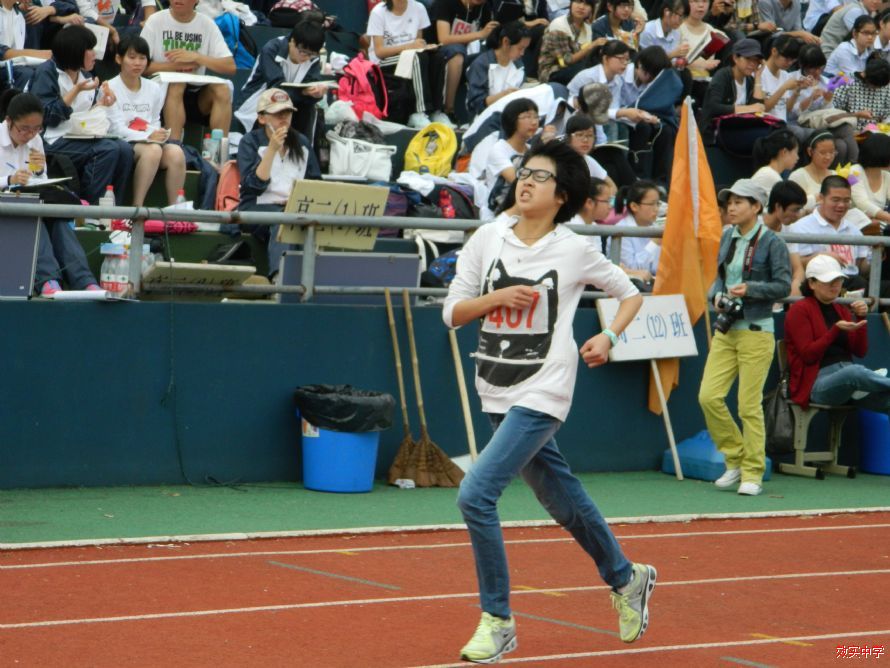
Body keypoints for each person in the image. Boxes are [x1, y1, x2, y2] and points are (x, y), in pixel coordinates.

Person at [443, 139, 654, 663]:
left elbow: (630, 294)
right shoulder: (487, 237)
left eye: (540, 176)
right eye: (524, 172)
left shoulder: (574, 249)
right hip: (495, 382)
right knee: (560, 498)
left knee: (475, 494)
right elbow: (452, 312)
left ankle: (497, 620)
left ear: (562, 196)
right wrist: (495, 298)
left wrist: (609, 336)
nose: (526, 181)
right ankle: (626, 578)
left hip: (545, 387)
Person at [698, 178, 791, 496]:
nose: (732, 208)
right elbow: (719, 277)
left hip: (756, 330)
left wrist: (751, 289)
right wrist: (716, 295)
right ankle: (735, 457)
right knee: (708, 397)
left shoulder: (772, 242)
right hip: (727, 328)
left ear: (756, 207)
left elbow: (783, 286)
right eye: (730, 202)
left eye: (739, 202)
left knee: (748, 406)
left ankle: (752, 472)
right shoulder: (727, 235)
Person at [0, 90, 100, 296]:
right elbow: (11, 181)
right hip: (7, 207)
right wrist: (9, 180)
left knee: (58, 218)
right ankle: (48, 280)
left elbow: (40, 180)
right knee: (34, 216)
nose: (30, 135)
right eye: (24, 129)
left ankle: (85, 281)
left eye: (36, 128)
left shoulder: (35, 140)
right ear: (9, 121)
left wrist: (38, 171)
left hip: (29, 201)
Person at [30, 24, 134, 205]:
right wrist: (76, 90)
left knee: (124, 149)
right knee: (106, 150)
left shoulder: (84, 74)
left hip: (77, 136)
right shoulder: (47, 73)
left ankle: (114, 208)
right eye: (90, 49)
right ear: (75, 51)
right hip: (50, 140)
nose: (95, 54)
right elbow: (46, 117)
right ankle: (90, 210)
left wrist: (102, 104)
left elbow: (84, 115)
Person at [785, 254, 890, 412]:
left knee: (884, 397)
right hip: (816, 383)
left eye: (838, 280)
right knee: (854, 372)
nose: (835, 285)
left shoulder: (840, 309)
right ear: (812, 283)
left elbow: (860, 351)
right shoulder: (799, 310)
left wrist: (861, 318)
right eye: (828, 281)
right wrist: (835, 330)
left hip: (847, 376)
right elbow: (808, 355)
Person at [237, 88, 321, 274]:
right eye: (277, 113)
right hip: (256, 207)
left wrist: (297, 200)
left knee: (305, 219)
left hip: (295, 207)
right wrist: (272, 149)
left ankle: (313, 278)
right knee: (284, 218)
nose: (283, 118)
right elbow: (252, 187)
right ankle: (279, 277)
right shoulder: (249, 142)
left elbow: (315, 182)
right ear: (262, 118)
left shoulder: (302, 142)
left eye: (288, 112)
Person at [106, 35, 186, 206]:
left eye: (142, 58)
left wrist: (157, 133)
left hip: (149, 141)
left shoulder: (154, 88)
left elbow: (154, 120)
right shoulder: (109, 87)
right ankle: (138, 207)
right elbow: (115, 129)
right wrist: (148, 137)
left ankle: (176, 210)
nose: (138, 63)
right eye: (132, 57)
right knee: (153, 151)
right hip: (123, 143)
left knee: (176, 153)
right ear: (119, 59)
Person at [140, 0, 236, 142]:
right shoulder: (156, 20)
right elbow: (140, 66)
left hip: (196, 95)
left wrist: (197, 57)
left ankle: (219, 150)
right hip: (161, 94)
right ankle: (174, 146)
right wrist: (176, 66)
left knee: (222, 89)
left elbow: (230, 66)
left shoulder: (207, 24)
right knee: (177, 84)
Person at [233, 19, 327, 137]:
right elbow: (276, 87)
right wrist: (303, 92)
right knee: (276, 103)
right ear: (292, 41)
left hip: (292, 102)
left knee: (308, 109)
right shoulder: (272, 49)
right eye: (303, 52)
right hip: (259, 100)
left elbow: (311, 85)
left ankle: (302, 146)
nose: (307, 58)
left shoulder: (313, 59)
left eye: (312, 54)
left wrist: (316, 94)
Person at [787, 174, 870, 293]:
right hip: (820, 285)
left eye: (846, 201)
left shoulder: (853, 229)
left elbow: (861, 268)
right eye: (835, 200)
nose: (841, 205)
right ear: (821, 198)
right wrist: (820, 257)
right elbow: (795, 265)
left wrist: (876, 256)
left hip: (854, 284)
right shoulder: (801, 228)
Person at [367, 0, 442, 128]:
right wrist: (409, 47)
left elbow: (418, 43)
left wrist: (424, 47)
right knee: (416, 58)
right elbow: (379, 52)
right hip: (382, 62)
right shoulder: (378, 12)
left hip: (409, 54)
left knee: (437, 57)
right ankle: (418, 112)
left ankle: (437, 112)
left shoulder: (419, 8)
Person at [430, 0, 497, 126]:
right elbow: (443, 39)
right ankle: (448, 110)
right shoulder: (444, 3)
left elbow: (489, 37)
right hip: (436, 54)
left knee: (489, 57)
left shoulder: (483, 8)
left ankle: (481, 112)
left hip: (462, 55)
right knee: (457, 53)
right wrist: (479, 34)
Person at [793, 44, 859, 164]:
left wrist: (827, 100)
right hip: (806, 123)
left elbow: (828, 111)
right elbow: (794, 112)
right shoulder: (794, 80)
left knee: (841, 146)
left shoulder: (825, 81)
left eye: (821, 68)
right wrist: (810, 98)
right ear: (802, 65)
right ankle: (854, 165)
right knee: (845, 129)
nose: (818, 72)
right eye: (813, 68)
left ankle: (841, 172)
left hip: (823, 122)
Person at [479, 97, 540, 216]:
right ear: (512, 120)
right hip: (498, 213)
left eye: (536, 117)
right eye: (527, 117)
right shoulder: (499, 149)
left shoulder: (532, 150)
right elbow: (517, 181)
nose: (534, 122)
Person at [700, 38, 766, 144]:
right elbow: (713, 107)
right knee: (762, 136)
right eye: (748, 58)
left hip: (738, 128)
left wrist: (758, 77)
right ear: (735, 58)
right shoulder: (722, 76)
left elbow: (758, 109)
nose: (752, 64)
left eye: (756, 60)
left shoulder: (750, 80)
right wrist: (748, 108)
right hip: (717, 131)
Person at [466, 21, 530, 116]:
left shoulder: (519, 65)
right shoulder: (481, 64)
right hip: (484, 118)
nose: (522, 53)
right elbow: (475, 104)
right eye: (520, 48)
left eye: (525, 49)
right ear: (506, 42)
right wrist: (503, 95)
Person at [610, 179, 662, 286]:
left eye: (658, 203)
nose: (656, 209)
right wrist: (654, 242)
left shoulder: (655, 227)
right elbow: (633, 270)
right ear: (634, 206)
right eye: (652, 204)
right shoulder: (621, 231)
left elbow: (657, 267)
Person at [538, 0, 597, 84]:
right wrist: (590, 47)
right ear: (571, 4)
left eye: (587, 4)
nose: (581, 7)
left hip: (576, 68)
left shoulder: (588, 28)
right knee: (587, 72)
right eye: (578, 2)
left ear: (591, 9)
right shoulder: (559, 24)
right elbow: (565, 61)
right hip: (553, 71)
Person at [789, 131, 838, 212]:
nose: (828, 157)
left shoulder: (835, 175)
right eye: (822, 152)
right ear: (810, 151)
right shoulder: (798, 176)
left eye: (832, 152)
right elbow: (792, 207)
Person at [849, 132, 890, 227]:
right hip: (856, 224)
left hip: (876, 223)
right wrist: (888, 217)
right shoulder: (853, 172)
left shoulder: (886, 175)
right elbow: (862, 203)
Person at [750, 128, 800, 194]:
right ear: (784, 152)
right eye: (796, 152)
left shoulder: (769, 172)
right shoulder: (770, 176)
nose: (798, 158)